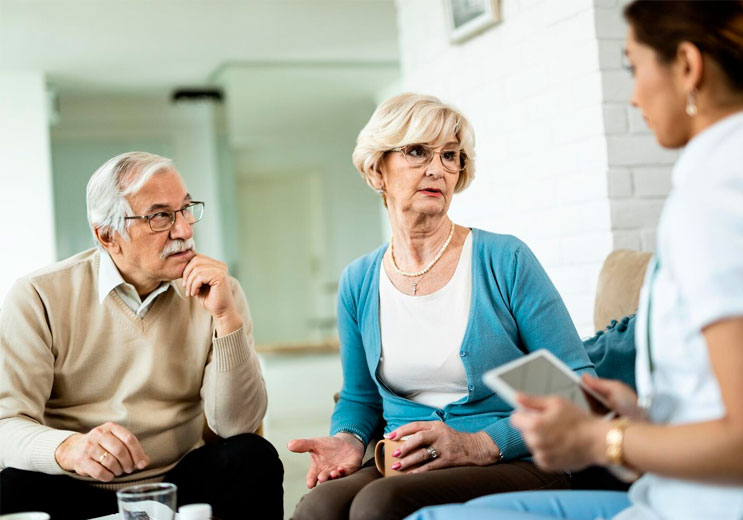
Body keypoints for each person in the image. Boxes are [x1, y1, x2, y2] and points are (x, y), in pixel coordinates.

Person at [409, 2, 743, 519]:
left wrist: (603, 438)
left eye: (634, 69)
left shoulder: (716, 197)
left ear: (687, 65)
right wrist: (636, 417)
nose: (633, 97)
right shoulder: (716, 183)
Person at [287, 93, 596, 520]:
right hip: (405, 458)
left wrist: (478, 445)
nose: (438, 168)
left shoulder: (503, 260)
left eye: (451, 156)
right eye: (417, 152)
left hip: (517, 458)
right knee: (320, 508)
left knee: (380, 504)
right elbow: (360, 397)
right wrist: (349, 439)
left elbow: (576, 388)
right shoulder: (358, 281)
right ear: (377, 169)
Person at [0, 152, 283, 519]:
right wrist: (69, 448)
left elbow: (237, 426)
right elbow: (7, 424)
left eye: (185, 209)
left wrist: (226, 317)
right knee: (10, 489)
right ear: (107, 235)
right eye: (160, 216)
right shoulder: (39, 296)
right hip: (74, 484)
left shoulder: (220, 292)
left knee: (252, 457)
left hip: (179, 479)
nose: (184, 230)